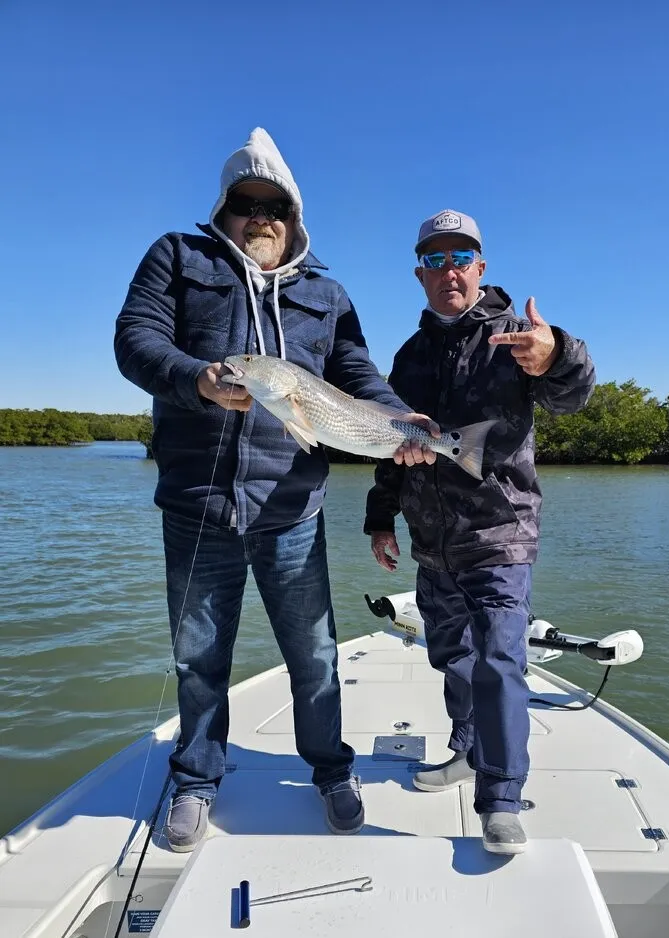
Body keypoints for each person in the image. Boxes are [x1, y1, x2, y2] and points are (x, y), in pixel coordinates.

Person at [114, 128, 438, 852]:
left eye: (274, 206)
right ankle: (197, 779)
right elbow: (136, 338)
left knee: (315, 654)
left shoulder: (327, 292)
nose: (260, 217)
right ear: (224, 209)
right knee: (200, 658)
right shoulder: (178, 256)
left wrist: (400, 421)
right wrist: (194, 379)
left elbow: (356, 375)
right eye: (245, 204)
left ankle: (330, 771)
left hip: (292, 508)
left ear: (294, 217)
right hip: (198, 505)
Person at [364, 209, 595, 854]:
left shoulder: (516, 336)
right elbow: (393, 445)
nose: (449, 271)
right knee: (453, 657)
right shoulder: (407, 356)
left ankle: (501, 797)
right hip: (430, 536)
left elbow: (573, 394)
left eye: (460, 257)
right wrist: (381, 517)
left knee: (498, 658)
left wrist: (558, 358)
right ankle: (468, 750)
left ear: (481, 267)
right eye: (434, 260)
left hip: (501, 529)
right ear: (419, 274)